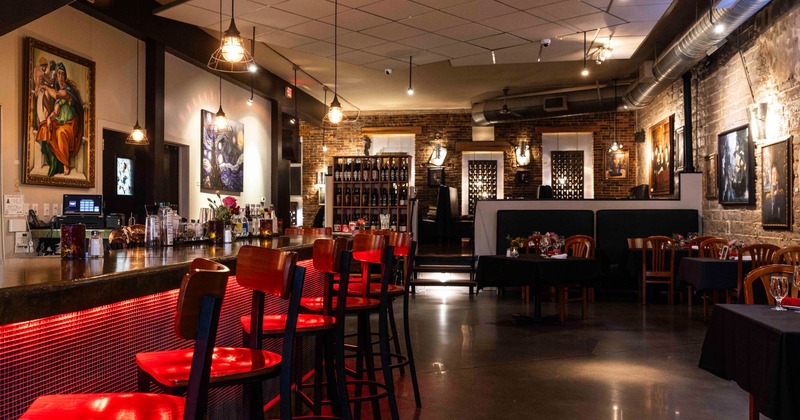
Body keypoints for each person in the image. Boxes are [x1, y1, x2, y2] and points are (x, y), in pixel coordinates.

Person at [36, 62, 84, 177]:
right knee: (44, 128)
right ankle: (53, 162)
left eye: (63, 74)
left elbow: (57, 95)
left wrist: (45, 87)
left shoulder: (68, 91)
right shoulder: (59, 94)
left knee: (60, 132)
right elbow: (55, 112)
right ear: (56, 77)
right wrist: (49, 118)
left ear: (65, 76)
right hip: (60, 122)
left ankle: (65, 163)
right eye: (59, 74)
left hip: (70, 125)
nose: (61, 77)